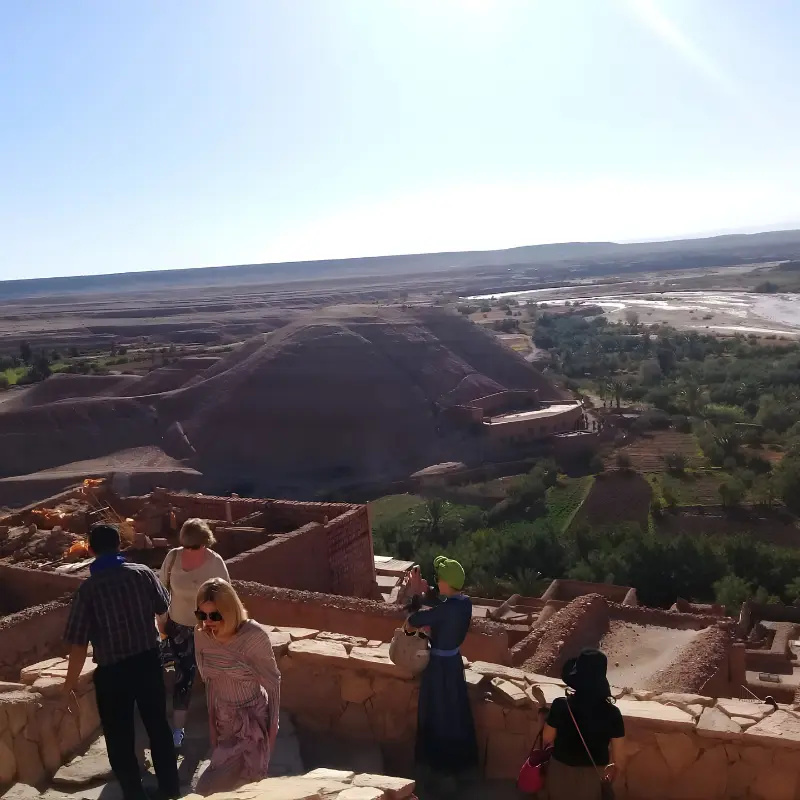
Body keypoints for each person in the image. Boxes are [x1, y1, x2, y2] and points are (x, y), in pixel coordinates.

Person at [63, 523, 180, 800]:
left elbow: (78, 643)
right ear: (120, 545)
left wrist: (68, 684)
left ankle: (134, 794)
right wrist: (162, 636)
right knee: (158, 727)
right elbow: (164, 612)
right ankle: (170, 790)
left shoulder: (88, 590)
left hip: (113, 674)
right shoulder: (142, 574)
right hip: (148, 662)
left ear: (90, 550)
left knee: (119, 736)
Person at [193, 578, 281, 796]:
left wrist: (272, 729)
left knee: (251, 785)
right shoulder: (202, 636)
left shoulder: (253, 636)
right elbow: (210, 682)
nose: (207, 621)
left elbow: (273, 683)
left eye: (214, 615)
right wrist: (212, 724)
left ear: (230, 611)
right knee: (211, 786)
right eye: (201, 615)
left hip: (254, 721)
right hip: (225, 720)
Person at [405, 556, 478, 787]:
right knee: (455, 711)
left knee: (438, 713)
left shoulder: (446, 610)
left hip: (439, 668)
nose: (437, 583)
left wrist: (415, 594)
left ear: (447, 582)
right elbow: (443, 609)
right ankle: (459, 766)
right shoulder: (465, 603)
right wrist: (429, 595)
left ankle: (441, 768)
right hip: (454, 663)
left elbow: (415, 619)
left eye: (439, 579)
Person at [158, 518, 230, 748]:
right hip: (178, 627)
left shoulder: (214, 562)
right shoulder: (172, 558)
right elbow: (161, 591)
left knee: (216, 675)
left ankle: (224, 726)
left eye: (196, 547)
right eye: (188, 546)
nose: (191, 551)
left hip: (207, 628)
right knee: (183, 677)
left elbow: (227, 597)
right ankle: (178, 731)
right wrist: (161, 621)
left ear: (205, 543)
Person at [542, 649, 626, 800]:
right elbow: (619, 760)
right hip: (592, 776)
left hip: (560, 772)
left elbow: (547, 738)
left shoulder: (561, 705)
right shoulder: (613, 713)